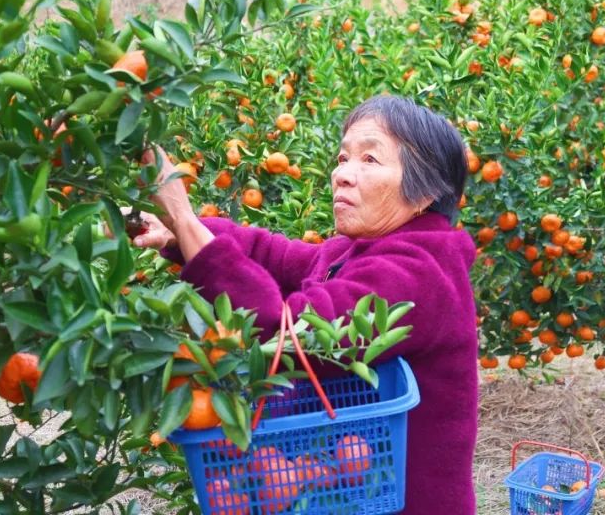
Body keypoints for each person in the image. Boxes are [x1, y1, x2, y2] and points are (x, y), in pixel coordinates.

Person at [131, 95, 478, 514]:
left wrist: (185, 218)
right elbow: (270, 253)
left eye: (370, 159)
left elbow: (291, 335)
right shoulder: (356, 250)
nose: (343, 175)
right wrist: (177, 234)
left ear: (424, 193)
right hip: (340, 489)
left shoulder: (420, 271)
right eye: (343, 157)